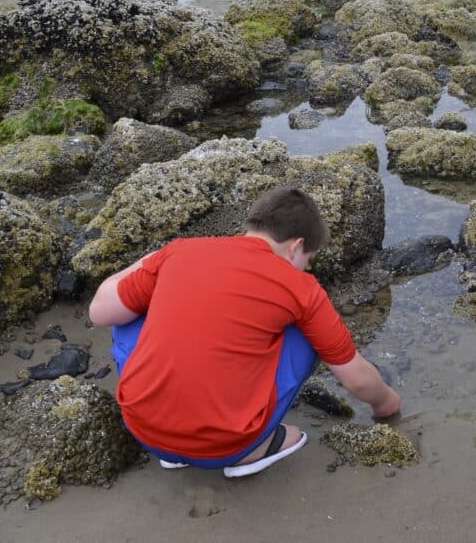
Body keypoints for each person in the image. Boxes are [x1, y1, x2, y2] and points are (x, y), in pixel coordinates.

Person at [89, 186, 401, 478]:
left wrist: (158, 259)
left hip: (143, 430)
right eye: (308, 261)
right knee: (308, 334)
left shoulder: (182, 251)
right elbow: (356, 379)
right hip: (226, 447)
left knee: (130, 311)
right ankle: (254, 450)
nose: (307, 269)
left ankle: (173, 445)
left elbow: (100, 311)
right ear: (297, 247)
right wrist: (387, 405)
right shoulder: (301, 287)